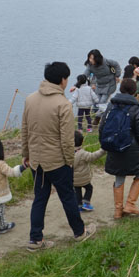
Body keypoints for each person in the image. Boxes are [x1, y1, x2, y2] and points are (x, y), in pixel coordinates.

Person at [22, 62, 95, 251]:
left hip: (36, 161)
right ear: (63, 80)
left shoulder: (30, 99)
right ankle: (79, 233)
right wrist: (70, 161)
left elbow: (25, 130)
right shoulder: (63, 104)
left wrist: (26, 154)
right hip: (57, 162)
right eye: (67, 78)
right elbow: (67, 140)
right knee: (68, 197)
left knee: (40, 198)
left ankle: (35, 240)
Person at [102, 79, 139, 218]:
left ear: (121, 89)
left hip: (113, 146)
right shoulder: (136, 108)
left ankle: (118, 211)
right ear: (134, 92)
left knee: (119, 175)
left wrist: (106, 144)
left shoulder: (110, 105)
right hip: (131, 147)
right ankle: (130, 204)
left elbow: (102, 127)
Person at [73, 130, 105, 213]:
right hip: (84, 179)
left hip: (73, 179)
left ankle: (79, 206)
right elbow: (93, 156)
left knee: (77, 191)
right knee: (89, 188)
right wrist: (102, 150)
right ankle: (86, 203)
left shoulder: (67, 153)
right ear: (82, 141)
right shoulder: (83, 153)